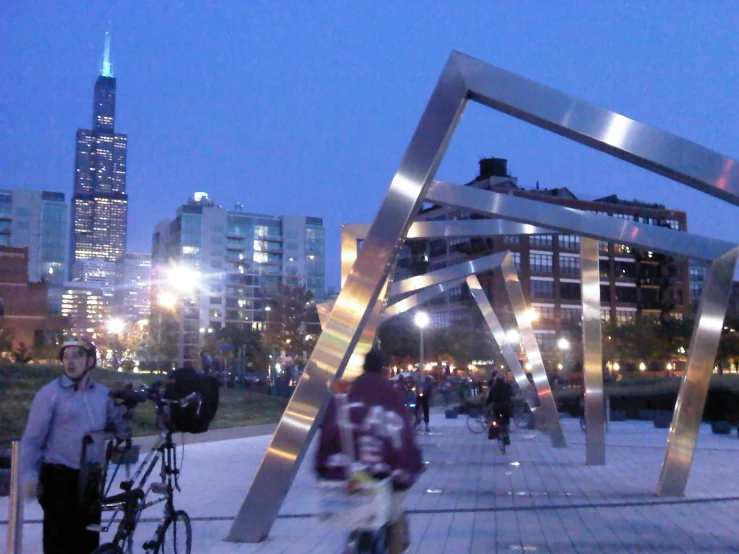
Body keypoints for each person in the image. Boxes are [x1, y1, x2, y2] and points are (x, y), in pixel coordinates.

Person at [21, 337, 128, 554]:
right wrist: (30, 475)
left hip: (91, 480)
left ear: (90, 361)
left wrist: (128, 405)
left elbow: (118, 426)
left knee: (88, 542)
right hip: (59, 479)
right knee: (59, 545)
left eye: (77, 355)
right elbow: (32, 439)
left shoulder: (102, 394)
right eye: (66, 357)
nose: (70, 362)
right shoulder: (51, 393)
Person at [316, 349, 423, 554]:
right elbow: (403, 433)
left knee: (356, 515)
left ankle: (354, 541)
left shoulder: (347, 393)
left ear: (363, 367)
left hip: (349, 472)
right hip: (381, 472)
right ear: (382, 368)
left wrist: (323, 467)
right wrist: (411, 464)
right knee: (395, 514)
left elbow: (329, 431)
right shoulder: (390, 393)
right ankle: (395, 548)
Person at [485, 372, 513, 444]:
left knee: (496, 420)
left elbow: (490, 398)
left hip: (497, 406)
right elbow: (511, 394)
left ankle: (495, 432)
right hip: (506, 406)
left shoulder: (493, 387)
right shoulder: (507, 386)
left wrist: (487, 403)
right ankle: (507, 437)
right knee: (507, 421)